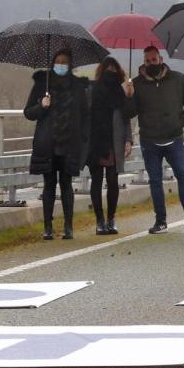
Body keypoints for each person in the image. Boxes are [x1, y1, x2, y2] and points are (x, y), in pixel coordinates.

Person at [123, 46, 184, 234]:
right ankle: (160, 222)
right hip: (150, 140)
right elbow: (129, 112)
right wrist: (129, 95)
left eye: (154, 60)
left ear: (161, 59)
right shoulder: (137, 83)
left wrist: (183, 121)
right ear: (144, 62)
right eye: (147, 61)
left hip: (175, 138)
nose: (151, 64)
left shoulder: (178, 79)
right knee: (155, 181)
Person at [24, 48, 89, 240]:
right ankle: (48, 227)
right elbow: (28, 113)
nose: (61, 65)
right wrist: (42, 106)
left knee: (67, 184)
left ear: (70, 65)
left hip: (70, 143)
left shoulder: (78, 87)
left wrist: (83, 138)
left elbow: (85, 114)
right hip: (48, 143)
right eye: (58, 62)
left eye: (65, 62)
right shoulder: (41, 84)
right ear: (53, 63)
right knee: (49, 184)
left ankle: (68, 226)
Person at [87, 57, 132, 236]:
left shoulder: (121, 93)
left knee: (113, 181)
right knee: (96, 181)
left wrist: (128, 139)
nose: (111, 73)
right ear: (101, 71)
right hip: (96, 142)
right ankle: (99, 221)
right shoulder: (91, 89)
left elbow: (127, 117)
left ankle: (111, 218)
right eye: (108, 69)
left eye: (114, 70)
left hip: (115, 141)